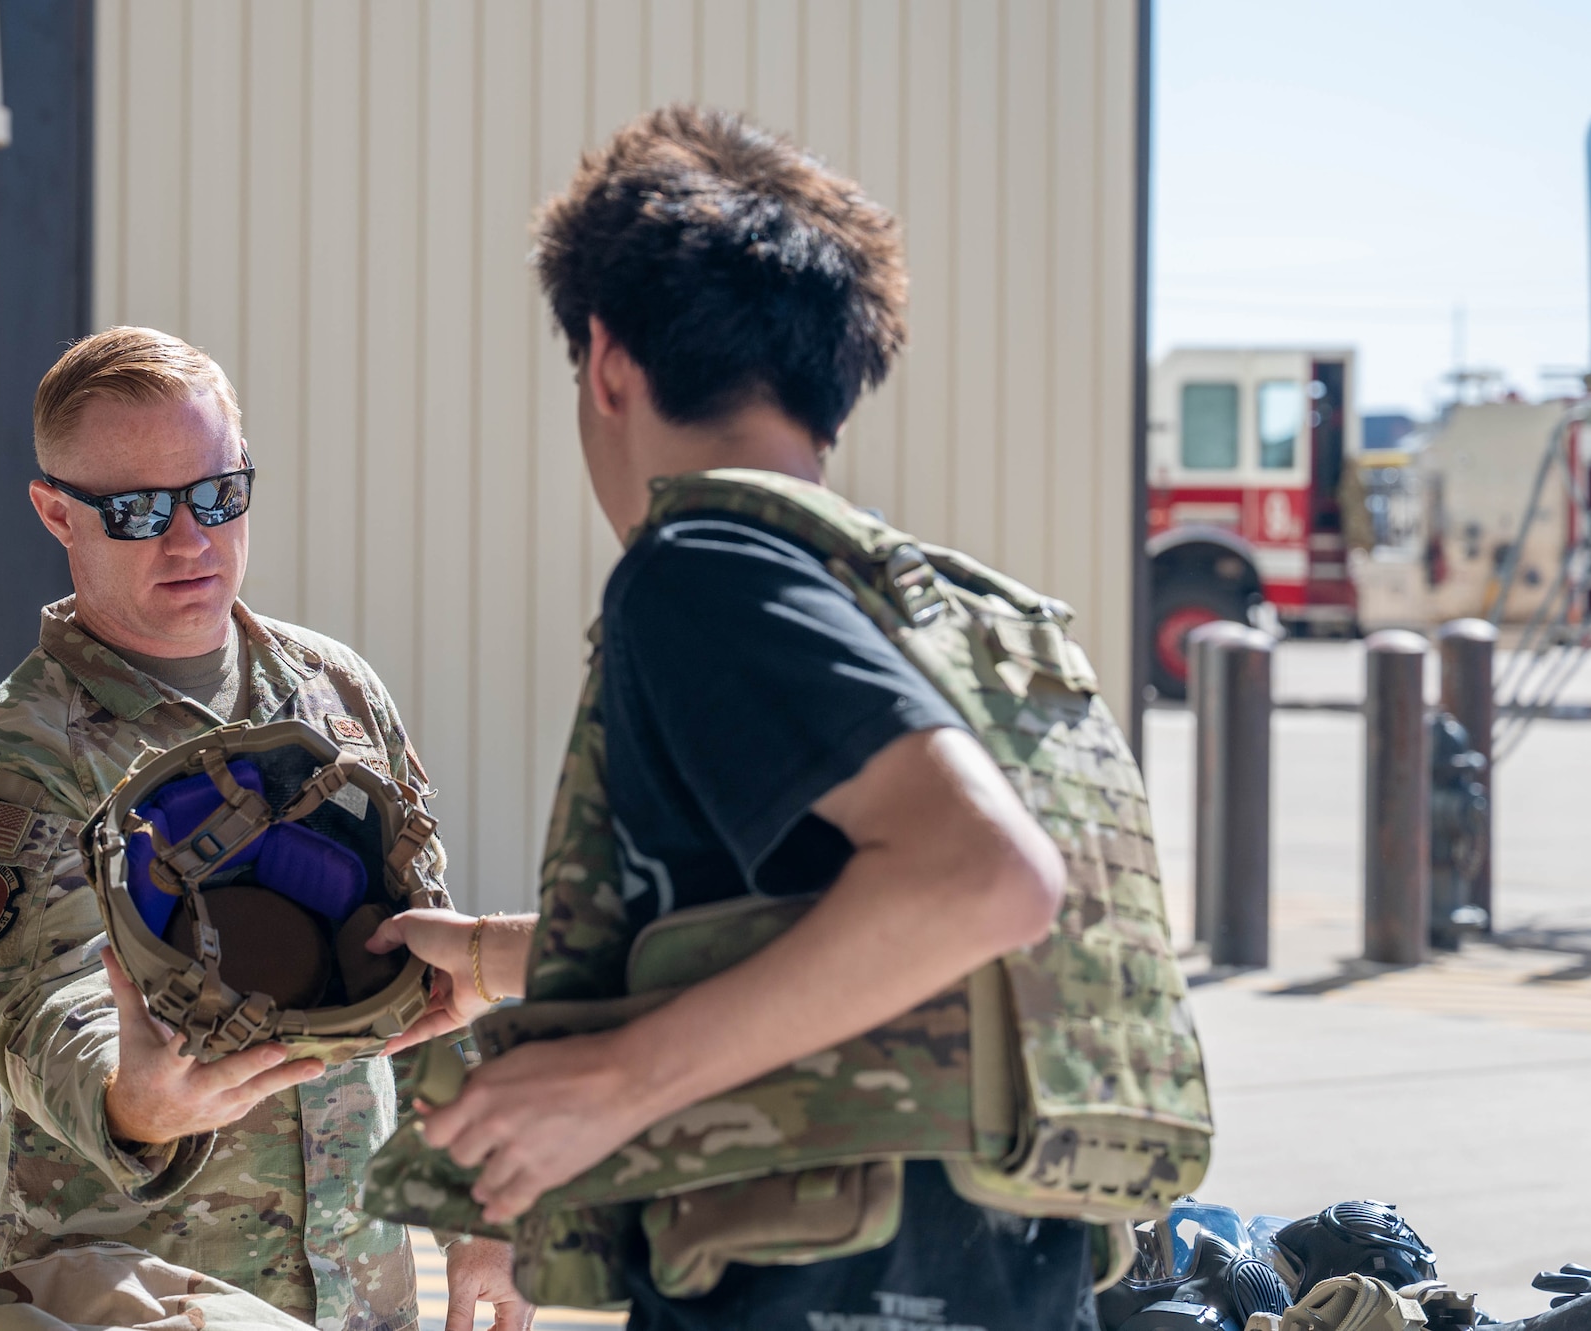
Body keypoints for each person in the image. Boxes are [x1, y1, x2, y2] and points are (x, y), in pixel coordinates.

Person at [368, 107, 1100, 1330]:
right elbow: (823, 917)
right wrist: (504, 960)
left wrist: (604, 1083)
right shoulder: (906, 597)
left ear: (606, 363)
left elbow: (986, 878)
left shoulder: (700, 565)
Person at [0, 327, 530, 1331]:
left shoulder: (332, 689)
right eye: (138, 511)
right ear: (54, 511)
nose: (190, 540)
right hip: (139, 1294)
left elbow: (420, 975)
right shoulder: (21, 754)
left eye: (216, 495)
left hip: (359, 1292)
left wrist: (479, 1211)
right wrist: (131, 1106)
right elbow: (35, 1005)